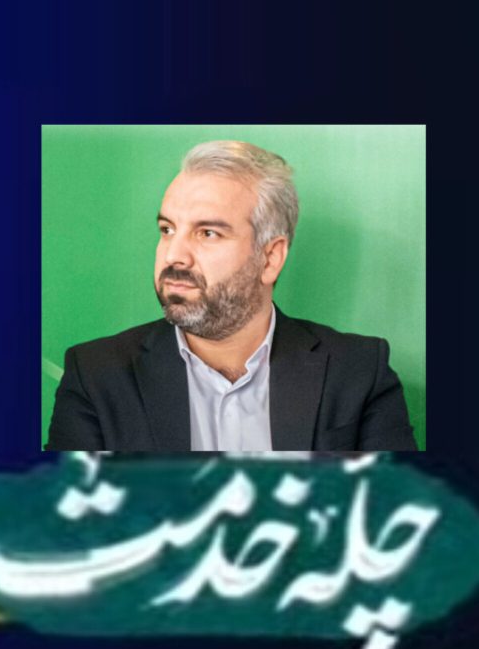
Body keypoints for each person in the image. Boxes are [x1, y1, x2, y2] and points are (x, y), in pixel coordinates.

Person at [45, 139, 418, 452]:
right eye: (167, 229)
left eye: (208, 233)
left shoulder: (358, 371)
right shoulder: (97, 375)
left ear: (270, 258)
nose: (174, 255)